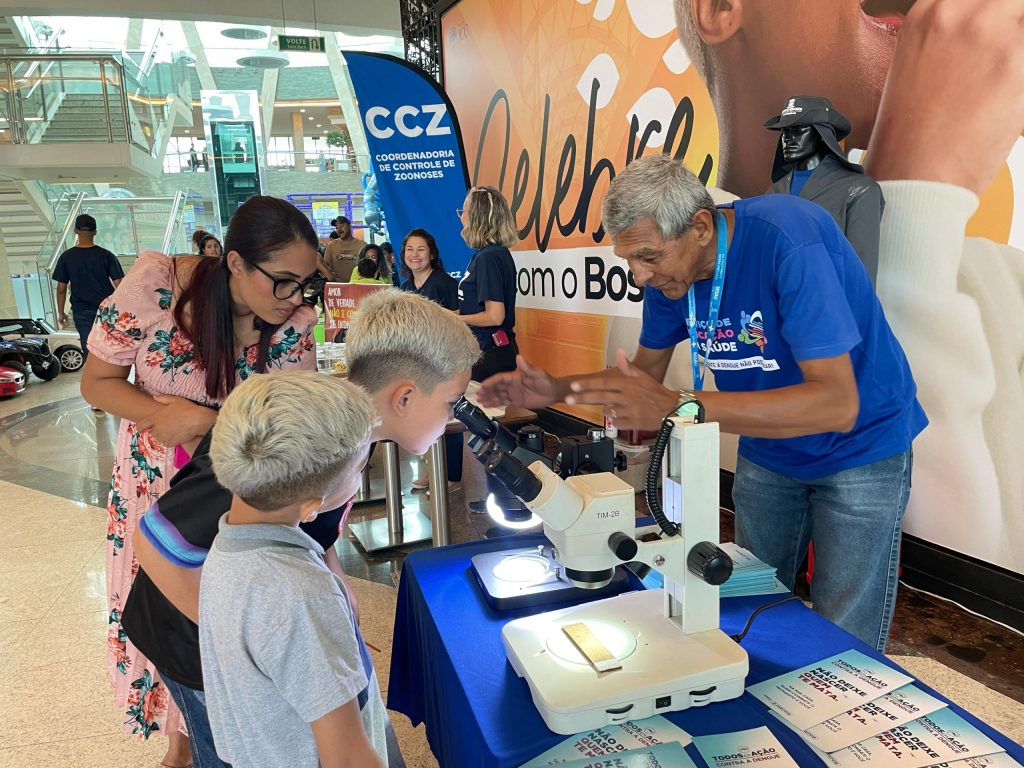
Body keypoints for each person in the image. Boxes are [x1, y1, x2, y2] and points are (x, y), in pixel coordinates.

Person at [479, 154, 927, 651]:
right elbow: (642, 375)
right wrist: (559, 391)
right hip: (770, 447)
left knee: (845, 627)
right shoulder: (671, 277)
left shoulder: (788, 239)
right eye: (628, 260)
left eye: (648, 257)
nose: (640, 275)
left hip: (859, 446)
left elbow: (837, 404)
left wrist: (681, 404)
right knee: (751, 602)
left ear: (699, 226)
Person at [675, 0, 1024, 573]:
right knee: (762, 597)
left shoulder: (1003, 284)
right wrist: (916, 184)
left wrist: (914, 195)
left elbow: (946, 557)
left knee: (839, 611)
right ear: (720, 9)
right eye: (792, 135)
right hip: (775, 458)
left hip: (840, 452)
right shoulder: (686, 266)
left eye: (806, 135)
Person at [122, 289, 479, 768]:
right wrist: (254, 640)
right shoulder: (290, 438)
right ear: (406, 397)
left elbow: (314, 523)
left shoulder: (344, 450)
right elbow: (152, 541)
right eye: (453, 401)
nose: (457, 416)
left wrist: (331, 579)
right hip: (191, 644)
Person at [80, 195, 322, 767]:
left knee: (222, 615)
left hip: (234, 493)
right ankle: (179, 739)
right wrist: (162, 412)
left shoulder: (291, 327)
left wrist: (207, 422)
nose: (292, 299)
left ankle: (218, 732)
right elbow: (97, 383)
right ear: (235, 262)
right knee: (162, 609)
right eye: (282, 282)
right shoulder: (157, 288)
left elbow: (285, 423)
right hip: (156, 483)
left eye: (304, 284)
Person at [199, 371, 387, 768]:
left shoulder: (228, 544)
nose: (359, 477)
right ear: (310, 507)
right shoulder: (302, 593)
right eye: (358, 471)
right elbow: (348, 757)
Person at [763, 96, 883, 283]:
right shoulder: (773, 193)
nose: (788, 139)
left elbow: (861, 279)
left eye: (798, 130)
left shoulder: (859, 191)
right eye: (785, 131)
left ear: (822, 134)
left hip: (827, 307)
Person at [399, 228, 462, 493]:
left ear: (432, 254)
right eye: (410, 249)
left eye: (421, 249)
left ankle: (453, 477)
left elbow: (459, 322)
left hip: (444, 362)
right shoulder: (404, 288)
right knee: (424, 418)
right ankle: (430, 470)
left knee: (448, 418)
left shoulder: (445, 283)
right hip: (417, 365)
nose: (415, 255)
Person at [456, 186, 519, 382]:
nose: (460, 217)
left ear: (476, 217)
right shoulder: (488, 254)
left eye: (463, 212)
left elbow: (494, 316)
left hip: (490, 354)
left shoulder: (489, 258)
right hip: (487, 351)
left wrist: (452, 318)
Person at [52, 213, 124, 365]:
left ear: (75, 231)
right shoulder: (106, 255)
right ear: (95, 232)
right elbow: (120, 284)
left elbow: (61, 288)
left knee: (89, 347)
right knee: (111, 346)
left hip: (82, 310)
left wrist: (61, 312)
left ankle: (95, 381)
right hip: (107, 309)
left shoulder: (66, 257)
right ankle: (113, 379)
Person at [322, 216, 366, 282]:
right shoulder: (331, 245)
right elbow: (326, 267)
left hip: (357, 285)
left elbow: (367, 268)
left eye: (341, 226)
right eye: (337, 227)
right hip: (337, 287)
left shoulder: (362, 245)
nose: (339, 230)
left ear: (349, 226)